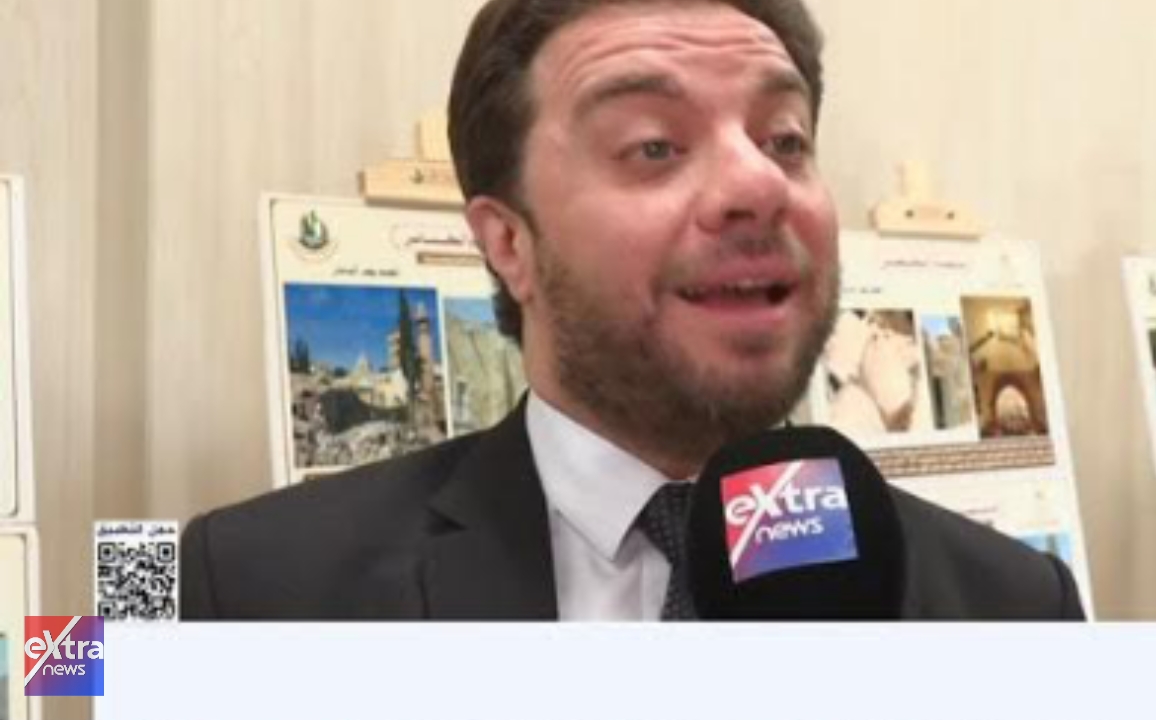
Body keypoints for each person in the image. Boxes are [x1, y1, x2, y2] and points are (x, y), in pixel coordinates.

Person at [181, 0, 1085, 621]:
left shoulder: (1020, 604)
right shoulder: (221, 572)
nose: (758, 184)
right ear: (508, 243)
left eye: (784, 140)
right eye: (654, 146)